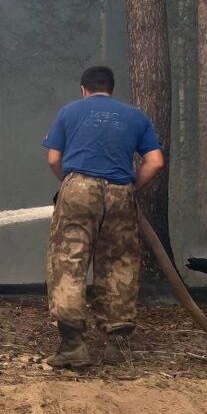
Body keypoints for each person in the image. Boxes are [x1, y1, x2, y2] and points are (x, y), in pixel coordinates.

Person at [41, 65, 165, 368]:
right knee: (119, 263)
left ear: (84, 89)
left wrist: (70, 185)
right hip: (121, 191)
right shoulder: (136, 116)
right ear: (111, 88)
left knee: (68, 262)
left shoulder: (70, 112)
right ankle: (118, 349)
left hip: (78, 188)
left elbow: (54, 158)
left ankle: (73, 347)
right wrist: (132, 186)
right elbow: (156, 162)